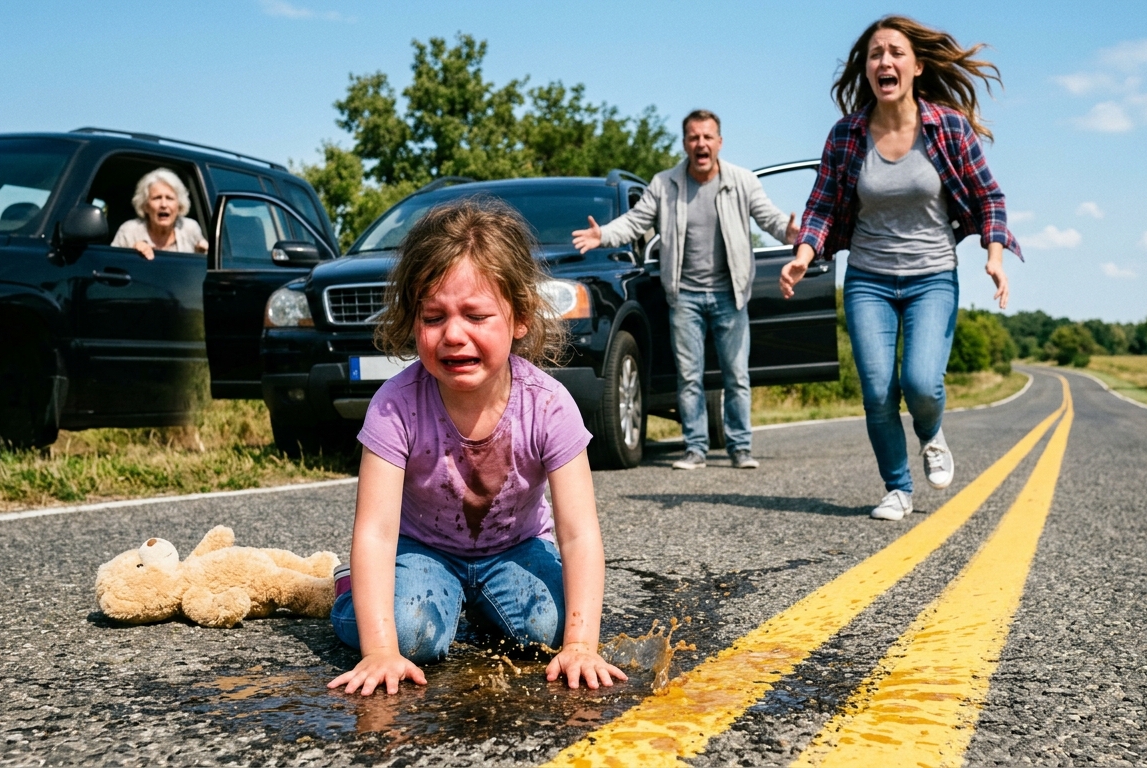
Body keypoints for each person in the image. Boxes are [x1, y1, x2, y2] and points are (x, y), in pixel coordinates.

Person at [327, 199, 627, 696]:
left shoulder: (548, 404)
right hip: (421, 550)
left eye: (476, 315)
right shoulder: (395, 405)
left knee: (549, 630)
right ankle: (348, 590)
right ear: (413, 320)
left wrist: (581, 644)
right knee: (410, 635)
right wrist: (379, 650)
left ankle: (483, 606)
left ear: (520, 318)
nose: (453, 335)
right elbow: (376, 533)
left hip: (518, 549)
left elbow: (578, 534)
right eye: (433, 317)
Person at [780, 16, 1021, 522]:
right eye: (875, 54)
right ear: (866, 69)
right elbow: (821, 205)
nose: (884, 61)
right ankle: (897, 488)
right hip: (868, 279)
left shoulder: (947, 127)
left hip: (932, 276)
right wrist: (804, 255)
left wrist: (995, 256)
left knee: (921, 383)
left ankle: (930, 431)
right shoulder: (847, 135)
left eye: (895, 52)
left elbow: (989, 198)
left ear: (917, 66)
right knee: (876, 390)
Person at [572, 110, 798, 471]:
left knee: (736, 375)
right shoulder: (665, 184)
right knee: (689, 377)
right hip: (685, 296)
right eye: (694, 137)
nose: (701, 144)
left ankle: (741, 447)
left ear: (719, 142)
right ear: (685, 143)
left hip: (730, 294)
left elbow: (768, 217)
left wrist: (791, 233)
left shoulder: (742, 181)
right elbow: (635, 222)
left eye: (707, 137)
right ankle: (695, 449)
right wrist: (604, 235)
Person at [110, 168, 209, 260]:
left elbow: (204, 264)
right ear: (145, 205)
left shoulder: (190, 228)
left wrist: (203, 254)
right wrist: (131, 254)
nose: (163, 205)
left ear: (179, 205)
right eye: (157, 198)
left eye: (169, 198)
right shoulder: (129, 231)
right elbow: (111, 263)